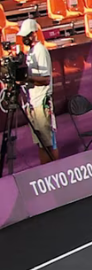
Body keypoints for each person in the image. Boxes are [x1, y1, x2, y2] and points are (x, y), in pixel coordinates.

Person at [13, 18, 56, 163]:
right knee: (40, 142)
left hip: (41, 102)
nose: (24, 38)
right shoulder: (30, 53)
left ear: (33, 34)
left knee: (48, 142)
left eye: (27, 35)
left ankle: (54, 168)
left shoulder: (40, 51)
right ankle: (45, 169)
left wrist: (28, 79)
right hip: (32, 103)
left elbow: (45, 79)